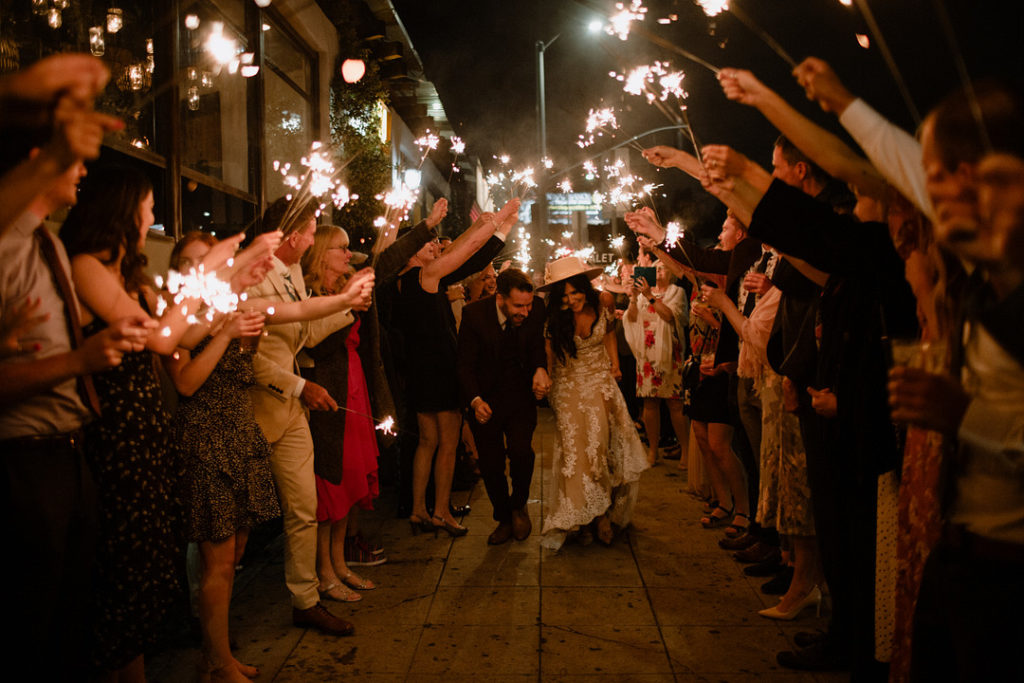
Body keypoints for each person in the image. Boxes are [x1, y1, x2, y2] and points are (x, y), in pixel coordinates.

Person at [0, 156, 151, 680]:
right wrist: (78, 361)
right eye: (74, 151)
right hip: (26, 457)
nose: (85, 166)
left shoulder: (47, 244)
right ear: (34, 158)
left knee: (73, 620)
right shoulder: (11, 247)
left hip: (72, 449)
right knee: (31, 628)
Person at [246, 196, 374, 638]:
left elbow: (304, 331)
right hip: (257, 409)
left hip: (291, 409)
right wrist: (302, 386)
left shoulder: (293, 274)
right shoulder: (255, 278)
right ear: (295, 235)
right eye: (312, 226)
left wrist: (347, 307)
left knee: (303, 509)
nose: (315, 234)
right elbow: (252, 360)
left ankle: (306, 599)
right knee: (233, 525)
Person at [163, 231, 279, 683]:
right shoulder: (178, 317)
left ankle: (217, 653)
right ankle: (217, 662)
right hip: (206, 439)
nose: (205, 267)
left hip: (238, 434)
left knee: (235, 556)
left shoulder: (225, 306)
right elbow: (186, 383)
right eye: (195, 261)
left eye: (209, 258)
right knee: (218, 560)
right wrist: (225, 329)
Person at [398, 199, 520, 537]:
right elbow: (466, 256)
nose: (436, 247)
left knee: (427, 441)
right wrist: (497, 224)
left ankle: (418, 509)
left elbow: (469, 256)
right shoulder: (426, 275)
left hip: (419, 370)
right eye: (429, 244)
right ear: (411, 251)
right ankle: (440, 512)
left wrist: (492, 227)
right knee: (448, 443)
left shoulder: (404, 280)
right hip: (438, 369)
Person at [300, 225, 387, 602]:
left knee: (349, 484)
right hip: (328, 393)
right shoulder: (309, 294)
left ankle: (339, 562)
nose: (348, 256)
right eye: (342, 249)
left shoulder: (341, 290)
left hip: (354, 388)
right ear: (322, 252)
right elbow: (316, 347)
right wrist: (348, 308)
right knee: (329, 488)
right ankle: (324, 571)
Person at [539, 256, 649, 549]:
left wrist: (614, 366)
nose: (572, 299)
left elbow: (610, 334)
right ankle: (583, 517)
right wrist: (546, 380)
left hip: (600, 380)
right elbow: (549, 354)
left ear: (585, 289)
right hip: (567, 384)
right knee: (577, 453)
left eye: (575, 292)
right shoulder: (553, 319)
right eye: (565, 295)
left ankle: (601, 513)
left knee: (602, 448)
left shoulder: (603, 303)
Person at [456, 268, 550, 545]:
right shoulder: (474, 316)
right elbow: (464, 365)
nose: (526, 311)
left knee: (522, 452)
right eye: (518, 306)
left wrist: (540, 369)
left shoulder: (537, 309)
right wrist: (475, 400)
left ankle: (519, 504)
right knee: (491, 464)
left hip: (521, 396)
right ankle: (504, 517)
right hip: (486, 400)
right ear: (500, 299)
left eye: (529, 304)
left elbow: (536, 347)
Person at [622, 260, 690, 467]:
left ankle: (686, 450)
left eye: (662, 268)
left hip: (670, 354)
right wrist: (634, 298)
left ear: (671, 273)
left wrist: (649, 296)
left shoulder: (676, 292)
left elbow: (670, 316)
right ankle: (652, 450)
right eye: (655, 268)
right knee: (649, 403)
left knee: (675, 404)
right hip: (647, 354)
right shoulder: (642, 294)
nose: (658, 272)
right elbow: (632, 318)